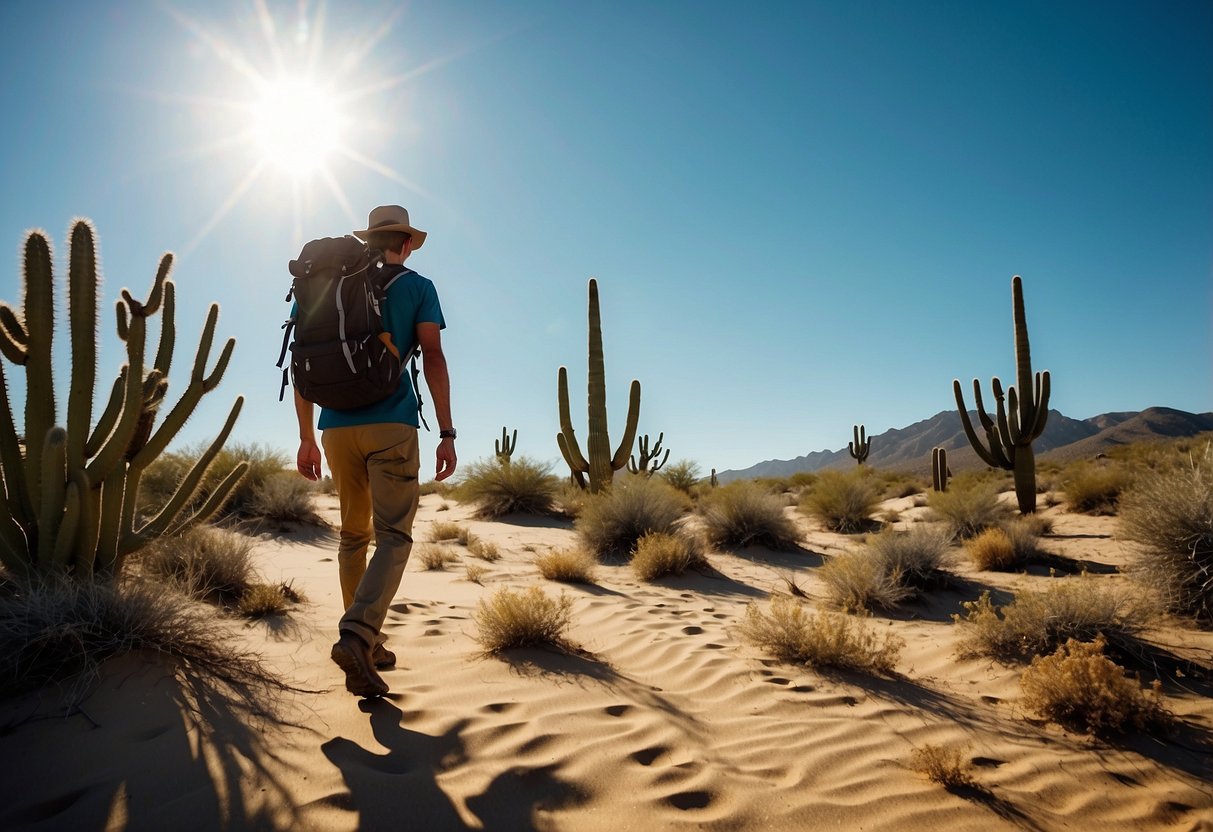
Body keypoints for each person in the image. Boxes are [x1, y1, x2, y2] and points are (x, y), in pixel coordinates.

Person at [294, 204, 457, 698]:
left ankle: (369, 639)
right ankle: (358, 635)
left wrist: (305, 436)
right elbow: (432, 356)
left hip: (334, 429)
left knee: (351, 537)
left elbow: (302, 362)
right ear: (405, 243)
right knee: (395, 537)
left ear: (369, 239)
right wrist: (447, 432)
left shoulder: (325, 286)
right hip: (392, 425)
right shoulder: (417, 287)